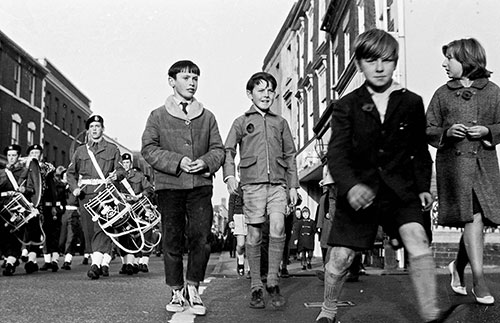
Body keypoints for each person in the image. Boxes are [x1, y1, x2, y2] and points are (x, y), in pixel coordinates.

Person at [316, 29, 452, 323]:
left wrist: (423, 186)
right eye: (371, 61)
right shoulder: (346, 106)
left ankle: (430, 314)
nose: (379, 68)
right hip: (360, 193)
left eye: (387, 61)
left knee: (417, 240)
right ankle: (328, 311)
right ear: (359, 64)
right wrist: (350, 187)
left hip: (400, 193)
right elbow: (337, 155)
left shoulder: (412, 102)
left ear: (395, 62)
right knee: (340, 260)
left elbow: (418, 150)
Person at [141, 60, 225, 316]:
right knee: (173, 239)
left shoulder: (207, 116)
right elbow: (148, 149)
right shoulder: (157, 115)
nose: (192, 83)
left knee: (201, 238)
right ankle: (176, 290)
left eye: (195, 78)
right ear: (171, 81)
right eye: (186, 77)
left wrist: (205, 162)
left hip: (200, 185)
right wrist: (178, 161)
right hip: (170, 186)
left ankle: (193, 287)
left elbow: (218, 150)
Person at [426, 38, 500, 305]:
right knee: (473, 219)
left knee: (476, 220)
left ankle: (458, 267)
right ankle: (479, 280)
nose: (445, 63)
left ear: (467, 60)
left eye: (450, 59)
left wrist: (488, 131)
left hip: (484, 163)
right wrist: (446, 132)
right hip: (454, 166)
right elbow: (428, 128)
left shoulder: (492, 91)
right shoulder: (441, 93)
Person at [223, 71, 299, 309]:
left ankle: (273, 281)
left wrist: (294, 185)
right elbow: (228, 150)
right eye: (260, 90)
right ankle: (256, 285)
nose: (266, 94)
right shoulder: (241, 122)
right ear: (250, 94)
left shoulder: (281, 122)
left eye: (270, 90)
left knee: (277, 226)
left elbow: (290, 154)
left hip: (277, 185)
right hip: (252, 186)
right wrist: (230, 176)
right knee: (254, 235)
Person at [67, 115, 125, 280]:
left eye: (98, 126)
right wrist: (75, 188)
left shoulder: (112, 149)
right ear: (88, 130)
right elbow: (70, 173)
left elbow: (121, 170)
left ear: (102, 129)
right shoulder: (81, 150)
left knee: (103, 227)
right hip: (86, 194)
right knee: (89, 230)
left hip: (106, 193)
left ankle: (95, 264)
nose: (94, 129)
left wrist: (116, 176)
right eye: (92, 126)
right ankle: (100, 261)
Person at [115, 153, 154, 275]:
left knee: (136, 235)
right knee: (122, 236)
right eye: (124, 163)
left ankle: (134, 262)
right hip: (123, 211)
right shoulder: (117, 178)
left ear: (131, 164)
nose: (126, 165)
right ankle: (125, 263)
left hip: (137, 209)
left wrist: (140, 195)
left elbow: (149, 189)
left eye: (127, 163)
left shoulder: (139, 176)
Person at [0, 144, 34, 276]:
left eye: (14, 155)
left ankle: (10, 261)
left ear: (19, 157)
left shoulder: (24, 172)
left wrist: (26, 190)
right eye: (9, 155)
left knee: (15, 234)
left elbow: (33, 190)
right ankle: (10, 258)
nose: (11, 158)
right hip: (2, 206)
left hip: (17, 207)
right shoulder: (2, 172)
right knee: (3, 234)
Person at [59, 169, 82, 270]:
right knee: (61, 238)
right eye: (64, 177)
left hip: (73, 212)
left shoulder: (77, 188)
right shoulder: (60, 188)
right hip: (62, 213)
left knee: (71, 236)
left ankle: (67, 260)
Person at [227, 183, 246, 276]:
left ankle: (251, 267)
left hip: (250, 214)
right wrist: (230, 219)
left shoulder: (252, 184)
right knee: (241, 244)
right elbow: (231, 204)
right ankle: (240, 260)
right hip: (238, 216)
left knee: (251, 243)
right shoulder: (235, 187)